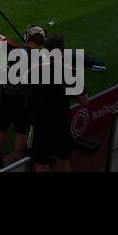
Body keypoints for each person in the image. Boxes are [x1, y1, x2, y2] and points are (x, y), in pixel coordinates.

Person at [0, 0, 46, 170]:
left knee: (1, 128)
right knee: (21, 131)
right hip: (26, 101)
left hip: (8, 97)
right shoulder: (44, 58)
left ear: (27, 37)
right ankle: (17, 162)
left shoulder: (15, 50)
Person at [26, 35, 89, 172]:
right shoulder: (71, 73)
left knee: (41, 163)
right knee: (63, 159)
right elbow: (84, 102)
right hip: (61, 124)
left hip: (39, 125)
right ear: (62, 51)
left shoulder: (33, 70)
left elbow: (27, 93)